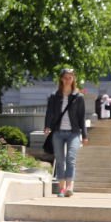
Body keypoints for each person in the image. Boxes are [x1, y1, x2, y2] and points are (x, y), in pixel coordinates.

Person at [44, 68, 87, 197]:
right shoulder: (54, 96)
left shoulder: (79, 97)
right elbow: (49, 112)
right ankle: (61, 188)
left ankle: (69, 187)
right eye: (65, 78)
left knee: (71, 159)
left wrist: (84, 135)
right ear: (61, 79)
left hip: (73, 132)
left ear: (73, 79)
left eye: (70, 78)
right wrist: (47, 126)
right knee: (60, 160)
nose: (68, 80)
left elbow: (82, 117)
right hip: (58, 132)